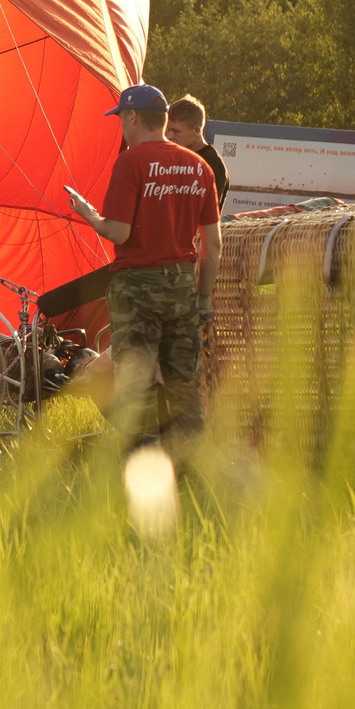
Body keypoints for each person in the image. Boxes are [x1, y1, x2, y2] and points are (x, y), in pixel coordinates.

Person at [61, 83, 221, 448]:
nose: (121, 126)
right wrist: (203, 299)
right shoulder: (200, 167)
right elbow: (212, 245)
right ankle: (191, 466)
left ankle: (144, 464)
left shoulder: (131, 162)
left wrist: (89, 215)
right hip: (182, 288)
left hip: (137, 290)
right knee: (183, 385)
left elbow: (118, 232)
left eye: (121, 119)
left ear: (133, 117)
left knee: (136, 385)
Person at [166, 94, 231, 202]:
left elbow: (210, 208)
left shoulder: (212, 163)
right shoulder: (174, 155)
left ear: (196, 131)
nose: (169, 136)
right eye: (168, 130)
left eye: (176, 131)